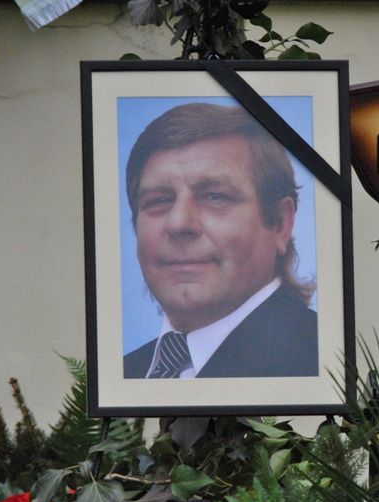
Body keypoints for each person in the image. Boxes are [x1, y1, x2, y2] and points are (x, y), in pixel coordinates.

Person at [122, 103, 318, 379]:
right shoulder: (124, 373)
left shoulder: (319, 362)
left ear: (280, 224)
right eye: (159, 200)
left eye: (215, 196)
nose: (179, 223)